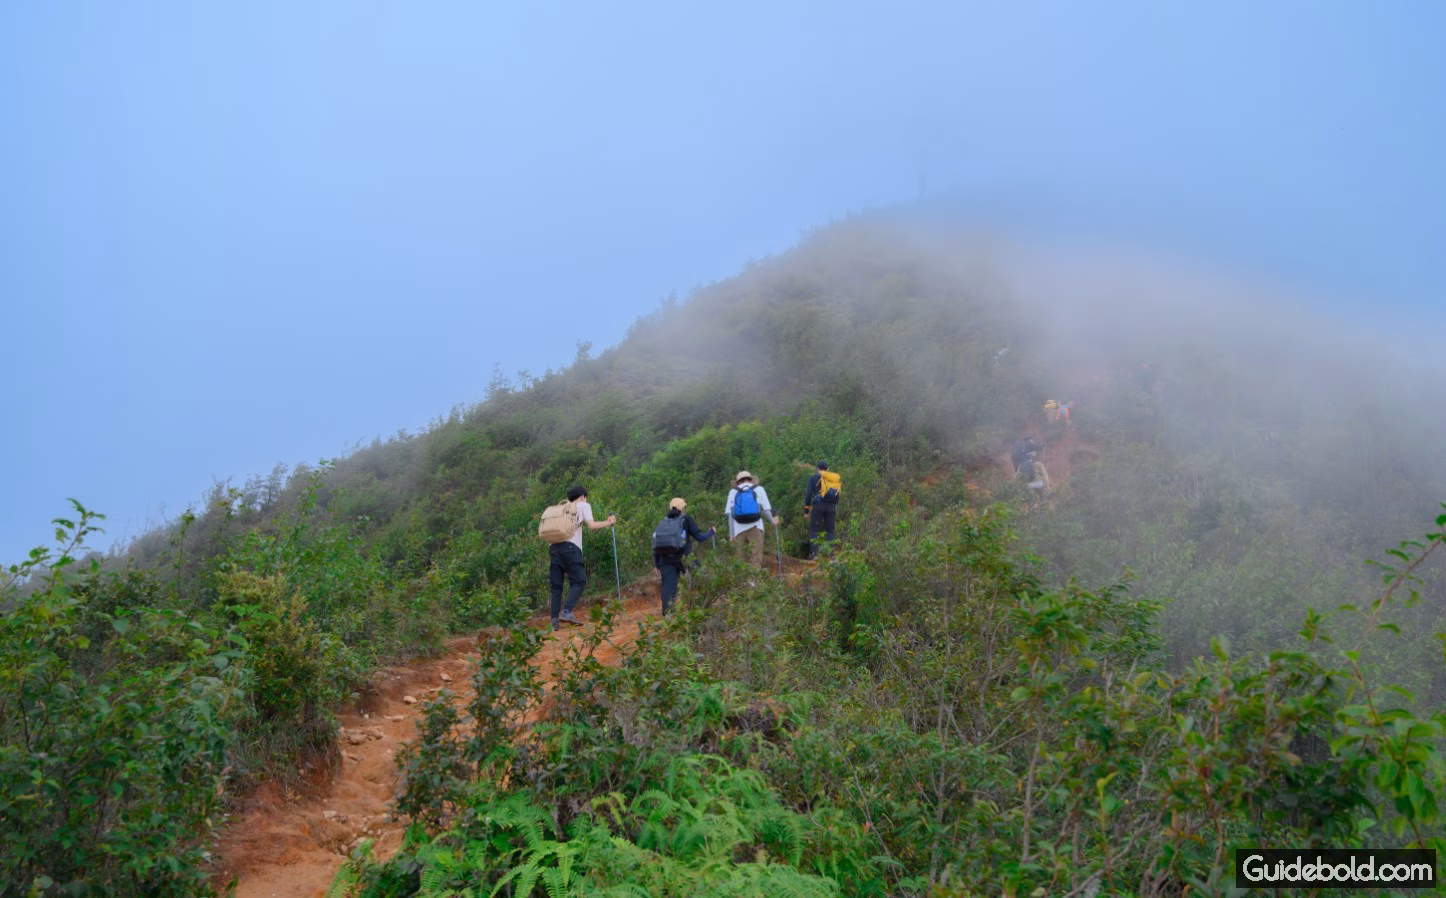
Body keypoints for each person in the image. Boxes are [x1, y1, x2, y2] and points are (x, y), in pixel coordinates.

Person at [549, 485, 616, 629]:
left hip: (554, 548)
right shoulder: (583, 505)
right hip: (571, 548)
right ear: (583, 496)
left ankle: (554, 620)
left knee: (556, 586)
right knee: (579, 581)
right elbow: (592, 526)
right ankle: (566, 611)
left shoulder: (561, 509)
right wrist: (609, 522)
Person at [652, 497, 715, 616]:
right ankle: (704, 608)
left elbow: (657, 546)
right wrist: (711, 532)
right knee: (702, 578)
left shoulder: (663, 523)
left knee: (668, 589)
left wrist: (657, 565)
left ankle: (668, 617)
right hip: (685, 557)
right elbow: (700, 538)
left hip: (666, 560)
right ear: (682, 508)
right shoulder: (686, 519)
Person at [725, 471, 780, 569]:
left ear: (738, 482)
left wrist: (731, 535)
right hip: (756, 527)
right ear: (751, 480)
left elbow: (730, 516)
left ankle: (742, 582)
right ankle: (754, 582)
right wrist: (773, 522)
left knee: (740, 559)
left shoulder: (733, 492)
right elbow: (767, 511)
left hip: (738, 529)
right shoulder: (759, 489)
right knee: (756, 558)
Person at [803, 461, 841, 559]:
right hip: (832, 506)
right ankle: (830, 554)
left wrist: (806, 510)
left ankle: (814, 553)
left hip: (818, 506)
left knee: (814, 530)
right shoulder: (833, 479)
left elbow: (808, 495)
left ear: (817, 469)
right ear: (827, 469)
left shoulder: (813, 478)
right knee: (830, 531)